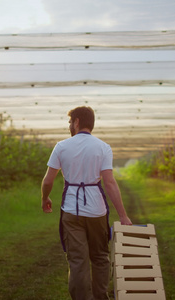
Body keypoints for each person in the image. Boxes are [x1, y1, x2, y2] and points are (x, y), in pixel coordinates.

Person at [40, 106, 133, 300]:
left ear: (76, 122)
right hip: (97, 210)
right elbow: (109, 182)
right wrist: (123, 215)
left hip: (71, 210)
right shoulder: (103, 147)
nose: (69, 126)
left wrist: (45, 198)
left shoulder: (62, 146)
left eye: (70, 122)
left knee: (77, 260)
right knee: (99, 256)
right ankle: (101, 296)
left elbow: (48, 180)